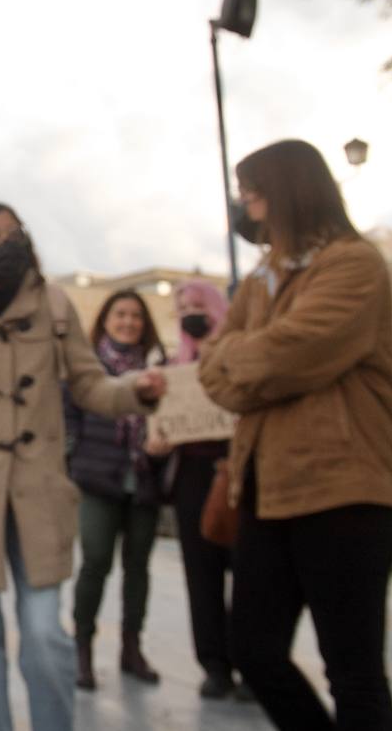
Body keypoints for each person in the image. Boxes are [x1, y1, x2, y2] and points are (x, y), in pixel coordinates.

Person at [199, 139, 392, 730]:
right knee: (254, 651)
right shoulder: (262, 278)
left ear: (288, 189)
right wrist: (251, 362)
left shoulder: (352, 262)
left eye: (253, 191)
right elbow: (217, 374)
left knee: (353, 670)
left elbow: (286, 355)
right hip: (266, 488)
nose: (246, 205)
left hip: (345, 488)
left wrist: (248, 361)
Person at [0, 203, 165, 731]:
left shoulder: (55, 304)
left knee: (45, 634)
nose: (6, 242)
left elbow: (90, 384)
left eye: (13, 232)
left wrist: (135, 390)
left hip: (40, 492)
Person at [66, 289, 167, 689]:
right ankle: (83, 650)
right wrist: (73, 462)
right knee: (95, 562)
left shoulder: (158, 371)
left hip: (143, 480)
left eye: (136, 316)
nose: (129, 321)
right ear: (105, 320)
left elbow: (169, 419)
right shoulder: (87, 367)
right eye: (120, 314)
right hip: (97, 479)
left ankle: (131, 648)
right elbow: (69, 417)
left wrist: (162, 446)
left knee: (138, 567)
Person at [167, 278, 248, 699]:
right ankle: (214, 664)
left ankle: (250, 662)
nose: (189, 312)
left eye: (197, 304)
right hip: (192, 477)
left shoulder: (236, 352)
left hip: (239, 472)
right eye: (181, 306)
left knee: (250, 571)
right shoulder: (174, 362)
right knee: (202, 573)